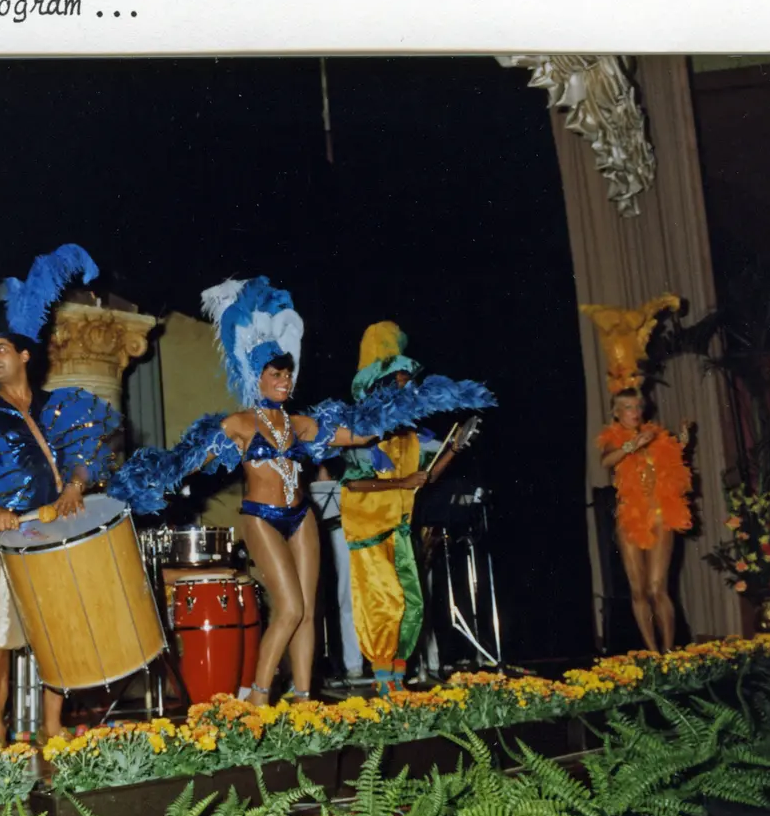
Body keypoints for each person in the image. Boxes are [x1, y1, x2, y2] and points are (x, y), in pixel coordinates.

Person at [108, 277, 497, 706]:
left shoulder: (302, 425)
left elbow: (361, 434)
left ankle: (303, 697)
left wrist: (410, 403)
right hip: (261, 518)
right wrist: (148, 481)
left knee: (309, 610)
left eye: (288, 374)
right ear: (257, 376)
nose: (285, 381)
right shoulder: (238, 424)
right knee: (290, 608)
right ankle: (258, 695)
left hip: (300, 516)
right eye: (276, 374)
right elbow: (187, 462)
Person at [0, 244, 122, 743]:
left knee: (59, 629)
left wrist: (75, 487)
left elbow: (92, 445)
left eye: (1, 350)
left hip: (55, 528)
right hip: (5, 533)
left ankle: (52, 727)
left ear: (25, 354)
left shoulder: (60, 405)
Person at [339, 322, 475, 694]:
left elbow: (424, 477)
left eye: (406, 381)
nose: (406, 387)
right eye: (398, 380)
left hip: (399, 526)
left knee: (412, 604)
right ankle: (384, 681)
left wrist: (454, 449)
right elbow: (352, 483)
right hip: (369, 527)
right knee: (385, 602)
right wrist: (401, 483)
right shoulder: (362, 430)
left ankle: (397, 678)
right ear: (379, 385)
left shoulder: (411, 435)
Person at [598, 388, 692, 653]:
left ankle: (669, 651)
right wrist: (631, 445)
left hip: (660, 516)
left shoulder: (656, 436)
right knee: (638, 590)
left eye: (638, 406)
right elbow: (606, 460)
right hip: (630, 518)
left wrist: (683, 440)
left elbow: (673, 458)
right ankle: (652, 652)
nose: (635, 412)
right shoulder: (613, 439)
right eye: (628, 407)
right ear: (616, 413)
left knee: (656, 587)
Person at [308, 464, 368, 688]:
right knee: (344, 599)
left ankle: (362, 663)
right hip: (332, 534)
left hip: (359, 530)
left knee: (353, 598)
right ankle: (350, 664)